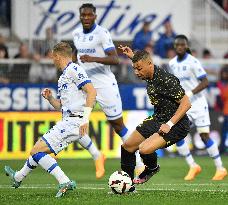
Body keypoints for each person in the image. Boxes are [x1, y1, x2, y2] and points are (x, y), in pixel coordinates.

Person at [4, 42, 97, 197]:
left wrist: (85, 119)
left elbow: (92, 92)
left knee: (36, 150)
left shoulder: (74, 69)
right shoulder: (64, 77)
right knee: (38, 151)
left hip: (74, 121)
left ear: (58, 56)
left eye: (53, 56)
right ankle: (18, 177)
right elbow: (61, 106)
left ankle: (64, 181)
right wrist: (50, 98)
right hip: (68, 120)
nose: (52, 60)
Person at [72, 3, 145, 179]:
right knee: (74, 123)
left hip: (105, 83)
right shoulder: (76, 34)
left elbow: (115, 59)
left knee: (118, 125)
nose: (87, 18)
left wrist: (93, 58)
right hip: (85, 84)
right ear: (80, 16)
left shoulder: (102, 33)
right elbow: (77, 55)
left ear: (95, 16)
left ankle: (140, 163)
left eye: (90, 15)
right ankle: (97, 155)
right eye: (84, 15)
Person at [118, 45, 191, 188]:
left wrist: (169, 124)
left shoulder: (166, 80)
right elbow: (142, 61)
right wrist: (133, 56)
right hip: (158, 118)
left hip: (176, 124)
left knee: (144, 149)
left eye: (139, 69)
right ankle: (127, 186)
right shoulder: (148, 71)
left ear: (150, 64)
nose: (136, 72)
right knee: (127, 147)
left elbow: (186, 103)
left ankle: (151, 168)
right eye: (134, 68)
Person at [168, 34, 227, 180]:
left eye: (183, 44)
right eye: (178, 45)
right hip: (184, 105)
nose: (180, 47)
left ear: (186, 46)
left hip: (199, 104)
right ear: (175, 47)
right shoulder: (172, 63)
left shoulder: (193, 62)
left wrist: (190, 92)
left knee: (204, 135)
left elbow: (205, 82)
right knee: (176, 133)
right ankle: (192, 165)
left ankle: (220, 168)